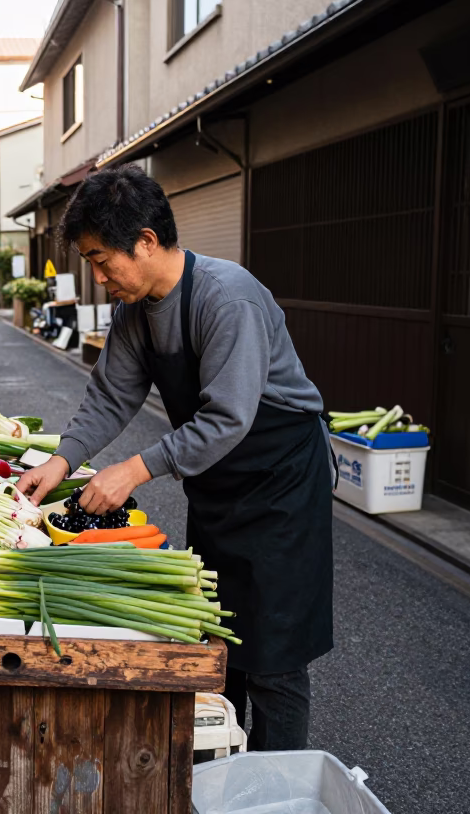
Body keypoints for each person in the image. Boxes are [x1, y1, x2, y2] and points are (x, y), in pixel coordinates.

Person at [18, 164, 334, 751]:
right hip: (219, 484)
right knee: (219, 635)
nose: (97, 275)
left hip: (281, 482)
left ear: (145, 241)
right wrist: (62, 460)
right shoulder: (136, 310)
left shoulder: (227, 297)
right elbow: (112, 395)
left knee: (274, 656)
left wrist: (135, 468)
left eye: (99, 258)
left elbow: (228, 418)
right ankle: (226, 762)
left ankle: (276, 783)